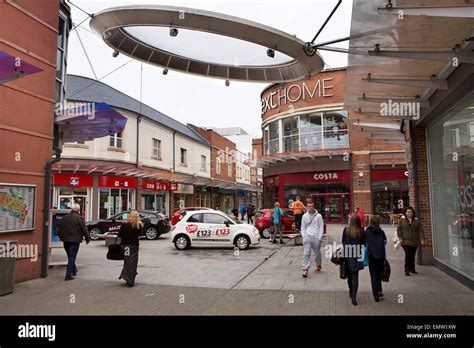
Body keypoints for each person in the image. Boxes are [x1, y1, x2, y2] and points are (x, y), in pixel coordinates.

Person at [58, 203, 90, 281]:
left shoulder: (64, 218)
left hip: (65, 240)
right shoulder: (80, 218)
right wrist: (87, 238)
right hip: (75, 240)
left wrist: (61, 236)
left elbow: (59, 228)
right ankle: (68, 275)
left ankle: (74, 270)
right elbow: (84, 229)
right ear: (78, 210)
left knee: (70, 256)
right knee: (72, 257)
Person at [342, 214, 365, 306]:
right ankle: (354, 297)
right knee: (355, 276)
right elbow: (363, 243)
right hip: (357, 255)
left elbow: (343, 242)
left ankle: (351, 292)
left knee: (349, 275)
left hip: (348, 255)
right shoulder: (360, 232)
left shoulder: (346, 230)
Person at [364, 215, 387, 302]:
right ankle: (379, 290)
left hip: (372, 256)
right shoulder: (381, 232)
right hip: (380, 256)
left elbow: (363, 242)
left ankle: (375, 294)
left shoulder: (367, 232)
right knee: (379, 274)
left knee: (374, 275)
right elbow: (385, 241)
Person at [118, 211, 143, 287]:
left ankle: (126, 276)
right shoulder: (137, 225)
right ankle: (130, 280)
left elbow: (120, 235)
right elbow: (141, 234)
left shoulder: (124, 225)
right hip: (133, 246)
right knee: (133, 262)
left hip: (125, 246)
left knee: (127, 261)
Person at [397, 206, 424, 276]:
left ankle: (412, 268)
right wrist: (400, 238)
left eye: (411, 212)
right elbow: (399, 230)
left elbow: (420, 230)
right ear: (405, 213)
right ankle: (407, 269)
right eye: (408, 212)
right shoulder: (402, 220)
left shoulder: (416, 220)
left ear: (413, 213)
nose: (409, 213)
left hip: (414, 241)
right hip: (405, 241)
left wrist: (422, 239)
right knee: (408, 254)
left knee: (412, 255)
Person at [301, 202, 324, 278]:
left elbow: (321, 227)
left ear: (314, 207)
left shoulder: (319, 216)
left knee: (317, 254)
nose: (310, 207)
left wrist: (320, 238)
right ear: (307, 207)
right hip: (307, 237)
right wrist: (304, 236)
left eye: (311, 206)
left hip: (316, 237)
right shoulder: (304, 216)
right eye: (308, 206)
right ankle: (305, 269)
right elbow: (303, 227)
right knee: (306, 253)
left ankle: (318, 265)